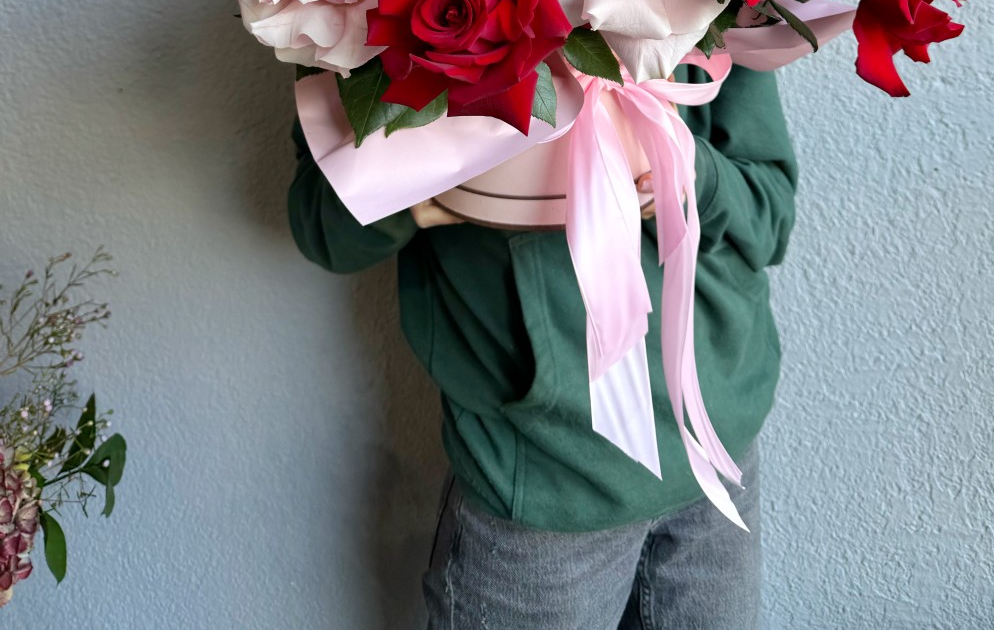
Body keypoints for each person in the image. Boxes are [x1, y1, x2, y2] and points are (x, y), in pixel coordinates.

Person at [288, 61, 797, 630]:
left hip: (719, 450)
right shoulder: (365, 10)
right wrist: (413, 176)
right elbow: (324, 230)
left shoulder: (713, 12)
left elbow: (770, 212)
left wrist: (683, 169)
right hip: (540, 486)